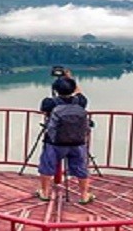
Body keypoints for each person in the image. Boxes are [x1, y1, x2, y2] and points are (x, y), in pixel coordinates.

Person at [34, 75, 94, 204]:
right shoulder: (81, 101)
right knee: (81, 167)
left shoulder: (49, 102)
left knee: (47, 166)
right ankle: (84, 195)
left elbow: (44, 112)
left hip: (54, 142)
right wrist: (70, 77)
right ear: (73, 89)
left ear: (55, 89)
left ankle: (44, 193)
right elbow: (79, 93)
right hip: (78, 142)